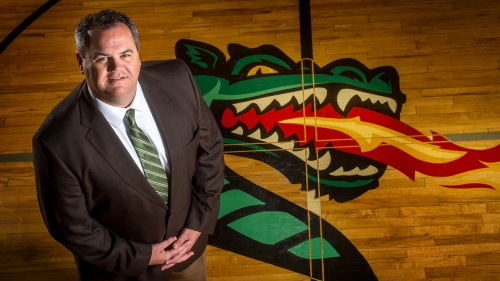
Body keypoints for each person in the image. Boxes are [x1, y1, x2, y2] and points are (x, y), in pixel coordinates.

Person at [32, 9, 224, 281]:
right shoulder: (55, 142)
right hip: (124, 271)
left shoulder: (178, 78)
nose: (116, 69)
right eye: (102, 58)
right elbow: (72, 228)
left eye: (125, 54)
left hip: (188, 251)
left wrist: (198, 223)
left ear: (138, 53)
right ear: (81, 61)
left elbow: (210, 150)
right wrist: (144, 257)